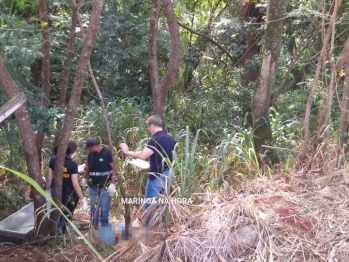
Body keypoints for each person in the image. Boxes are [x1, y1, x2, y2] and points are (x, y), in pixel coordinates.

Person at [119, 115, 176, 226]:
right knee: (162, 203)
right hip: (168, 175)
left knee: (149, 205)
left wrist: (127, 152)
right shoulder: (170, 138)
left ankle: (146, 231)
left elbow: (143, 155)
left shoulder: (155, 139)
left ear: (152, 126)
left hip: (156, 177)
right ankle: (160, 227)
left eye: (149, 128)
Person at [46, 141, 88, 233]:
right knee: (67, 215)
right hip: (69, 193)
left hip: (56, 191)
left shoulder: (53, 159)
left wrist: (47, 190)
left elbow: (49, 178)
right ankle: (63, 234)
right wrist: (83, 199)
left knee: (57, 213)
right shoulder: (72, 164)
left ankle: (55, 232)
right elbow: (75, 184)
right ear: (72, 152)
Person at [82, 137, 117, 229]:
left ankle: (104, 227)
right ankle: (94, 226)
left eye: (89, 148)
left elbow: (114, 169)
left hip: (105, 187)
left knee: (104, 209)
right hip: (93, 186)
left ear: (93, 147)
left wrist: (112, 184)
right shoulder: (91, 154)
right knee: (94, 208)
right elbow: (89, 167)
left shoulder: (107, 153)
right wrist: (84, 178)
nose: (89, 150)